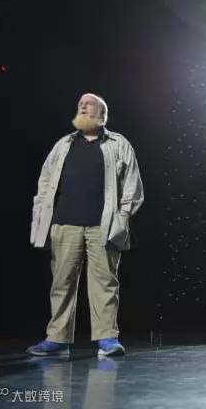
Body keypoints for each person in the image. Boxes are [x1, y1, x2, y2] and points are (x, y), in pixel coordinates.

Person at [27, 93, 144, 357]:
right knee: (61, 283)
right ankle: (57, 338)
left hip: (103, 227)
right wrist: (41, 216)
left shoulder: (118, 144)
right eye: (80, 103)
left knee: (105, 283)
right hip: (64, 224)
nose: (82, 105)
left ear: (102, 113)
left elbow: (133, 187)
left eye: (89, 103)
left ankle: (107, 338)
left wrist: (121, 219)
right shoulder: (63, 144)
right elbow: (45, 182)